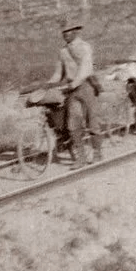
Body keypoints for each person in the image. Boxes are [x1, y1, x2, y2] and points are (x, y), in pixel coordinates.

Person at [48, 17, 103, 166]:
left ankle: (97, 152)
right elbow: (58, 73)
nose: (65, 34)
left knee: (93, 122)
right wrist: (48, 85)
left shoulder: (85, 47)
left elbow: (85, 69)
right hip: (72, 91)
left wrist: (73, 84)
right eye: (63, 32)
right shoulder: (62, 52)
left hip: (86, 87)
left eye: (68, 31)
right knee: (73, 125)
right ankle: (81, 157)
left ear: (75, 32)